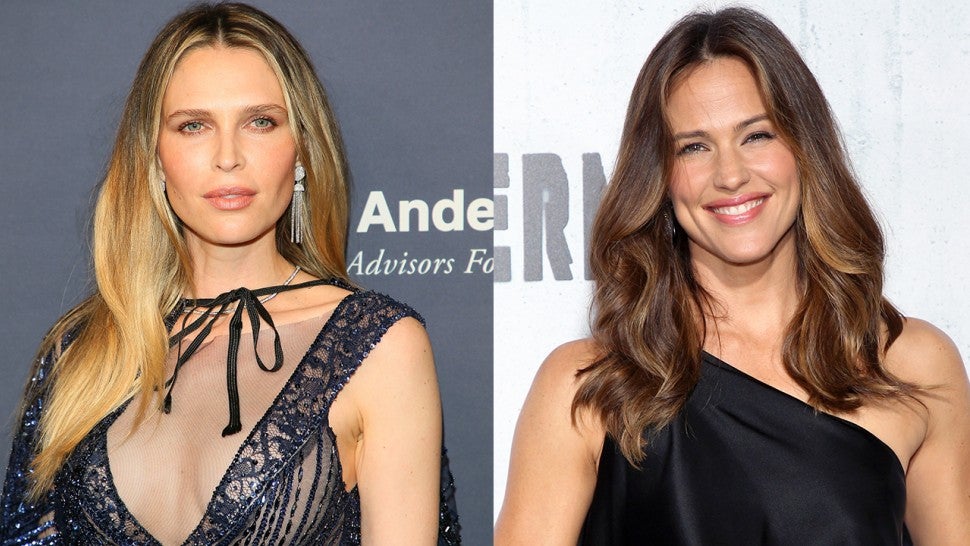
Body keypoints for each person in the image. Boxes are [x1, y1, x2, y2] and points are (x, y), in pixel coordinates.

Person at [496, 7, 970, 545]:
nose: (730, 175)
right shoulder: (588, 387)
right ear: (658, 176)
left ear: (805, 148)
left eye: (757, 136)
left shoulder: (912, 366)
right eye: (694, 147)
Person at [0, 3, 459, 545]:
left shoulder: (378, 346)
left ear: (302, 148)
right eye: (193, 126)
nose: (228, 156)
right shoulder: (82, 351)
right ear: (155, 156)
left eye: (260, 122)